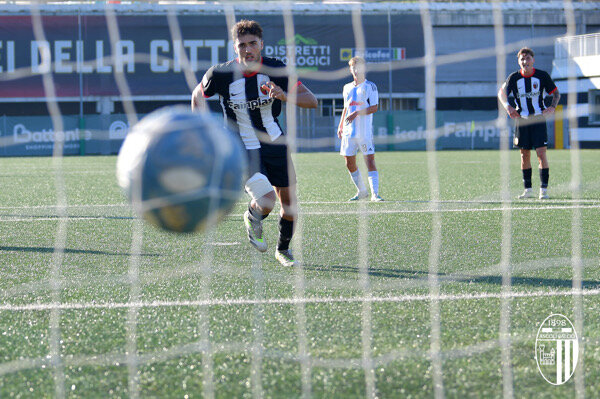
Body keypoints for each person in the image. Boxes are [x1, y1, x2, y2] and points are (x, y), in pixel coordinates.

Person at [191, 20, 317, 267]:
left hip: (275, 143)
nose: (247, 49)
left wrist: (284, 95)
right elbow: (197, 96)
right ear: (234, 47)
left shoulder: (277, 68)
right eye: (241, 45)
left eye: (252, 44)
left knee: (289, 205)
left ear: (261, 44)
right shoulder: (220, 73)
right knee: (267, 199)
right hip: (241, 147)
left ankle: (283, 250)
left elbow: (311, 101)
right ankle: (252, 216)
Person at [498, 47, 560, 200]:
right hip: (522, 121)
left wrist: (552, 107)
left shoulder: (542, 76)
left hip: (538, 119)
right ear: (519, 62)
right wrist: (508, 107)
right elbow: (501, 93)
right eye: (522, 59)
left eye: (527, 59)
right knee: (524, 155)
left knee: (541, 153)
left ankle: (543, 191)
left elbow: (556, 93)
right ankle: (528, 190)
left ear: (533, 60)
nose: (525, 62)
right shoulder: (513, 78)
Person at [336, 56, 382, 202]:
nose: (356, 70)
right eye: (353, 67)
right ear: (350, 69)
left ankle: (375, 194)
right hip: (349, 132)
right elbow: (345, 107)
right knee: (349, 163)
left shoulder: (370, 86)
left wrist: (356, 113)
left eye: (358, 67)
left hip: (364, 132)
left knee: (369, 161)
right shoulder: (347, 87)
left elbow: (374, 107)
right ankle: (362, 191)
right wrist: (340, 125)